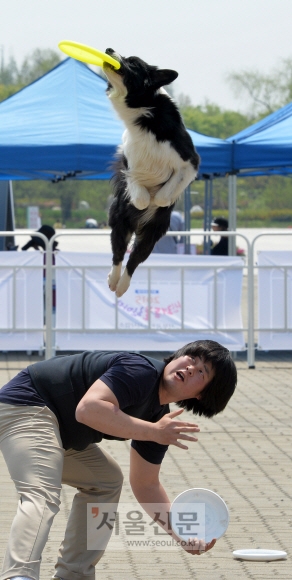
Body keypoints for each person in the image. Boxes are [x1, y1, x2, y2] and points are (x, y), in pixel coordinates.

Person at [0, 340, 237, 580]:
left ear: (202, 395)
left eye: (201, 372)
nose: (190, 368)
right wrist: (154, 432)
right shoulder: (140, 371)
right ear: (177, 356)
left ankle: (74, 575)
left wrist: (182, 536)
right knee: (42, 492)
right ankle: (20, 575)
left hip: (59, 432)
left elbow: (147, 485)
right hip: (27, 406)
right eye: (192, 358)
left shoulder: (159, 418)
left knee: (107, 481)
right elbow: (88, 409)